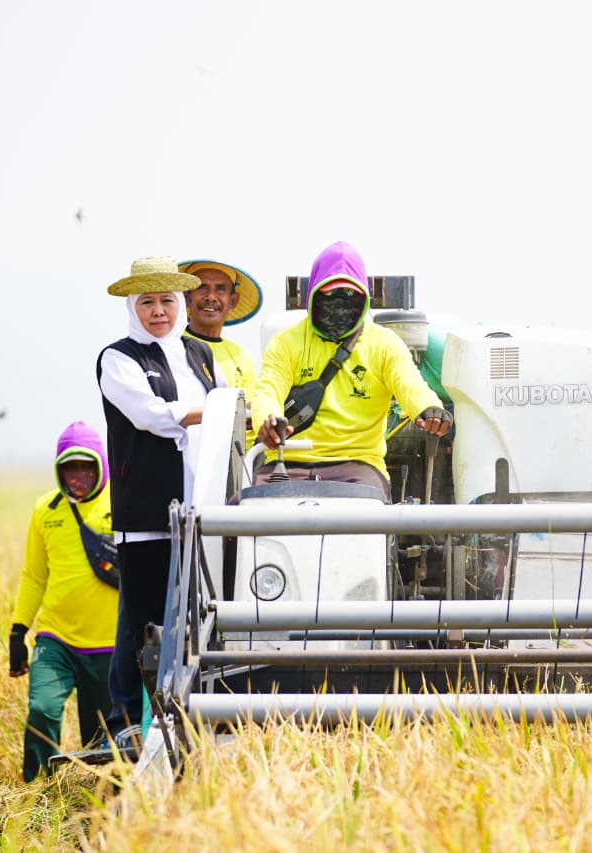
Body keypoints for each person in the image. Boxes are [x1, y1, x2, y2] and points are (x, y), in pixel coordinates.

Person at [96, 257, 219, 738]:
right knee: (140, 626)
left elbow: (222, 409)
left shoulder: (198, 355)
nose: (159, 311)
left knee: (195, 619)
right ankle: (126, 722)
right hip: (146, 513)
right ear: (133, 306)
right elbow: (149, 415)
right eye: (147, 301)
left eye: (167, 300)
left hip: (198, 513)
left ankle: (185, 715)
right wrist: (201, 414)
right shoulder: (118, 357)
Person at [250, 241, 452, 500]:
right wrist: (268, 422)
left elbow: (410, 384)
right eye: (330, 296)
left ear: (364, 299)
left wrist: (429, 409)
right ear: (313, 295)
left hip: (358, 464)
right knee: (241, 517)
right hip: (287, 462)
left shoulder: (383, 343)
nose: (339, 306)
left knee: (365, 516)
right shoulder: (286, 343)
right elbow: (268, 390)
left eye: (349, 296)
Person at [8, 421, 117, 782]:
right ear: (59, 469)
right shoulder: (46, 510)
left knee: (100, 740)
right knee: (42, 709)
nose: (78, 476)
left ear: (101, 464)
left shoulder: (121, 502)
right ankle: (38, 791)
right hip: (56, 639)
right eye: (70, 467)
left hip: (109, 645)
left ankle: (95, 801)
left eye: (87, 466)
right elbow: (34, 575)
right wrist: (18, 631)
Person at [178, 259, 263, 447]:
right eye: (202, 288)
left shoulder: (241, 357)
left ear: (233, 300)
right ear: (186, 297)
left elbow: (250, 416)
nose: (211, 297)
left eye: (220, 289)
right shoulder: (172, 345)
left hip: (229, 458)